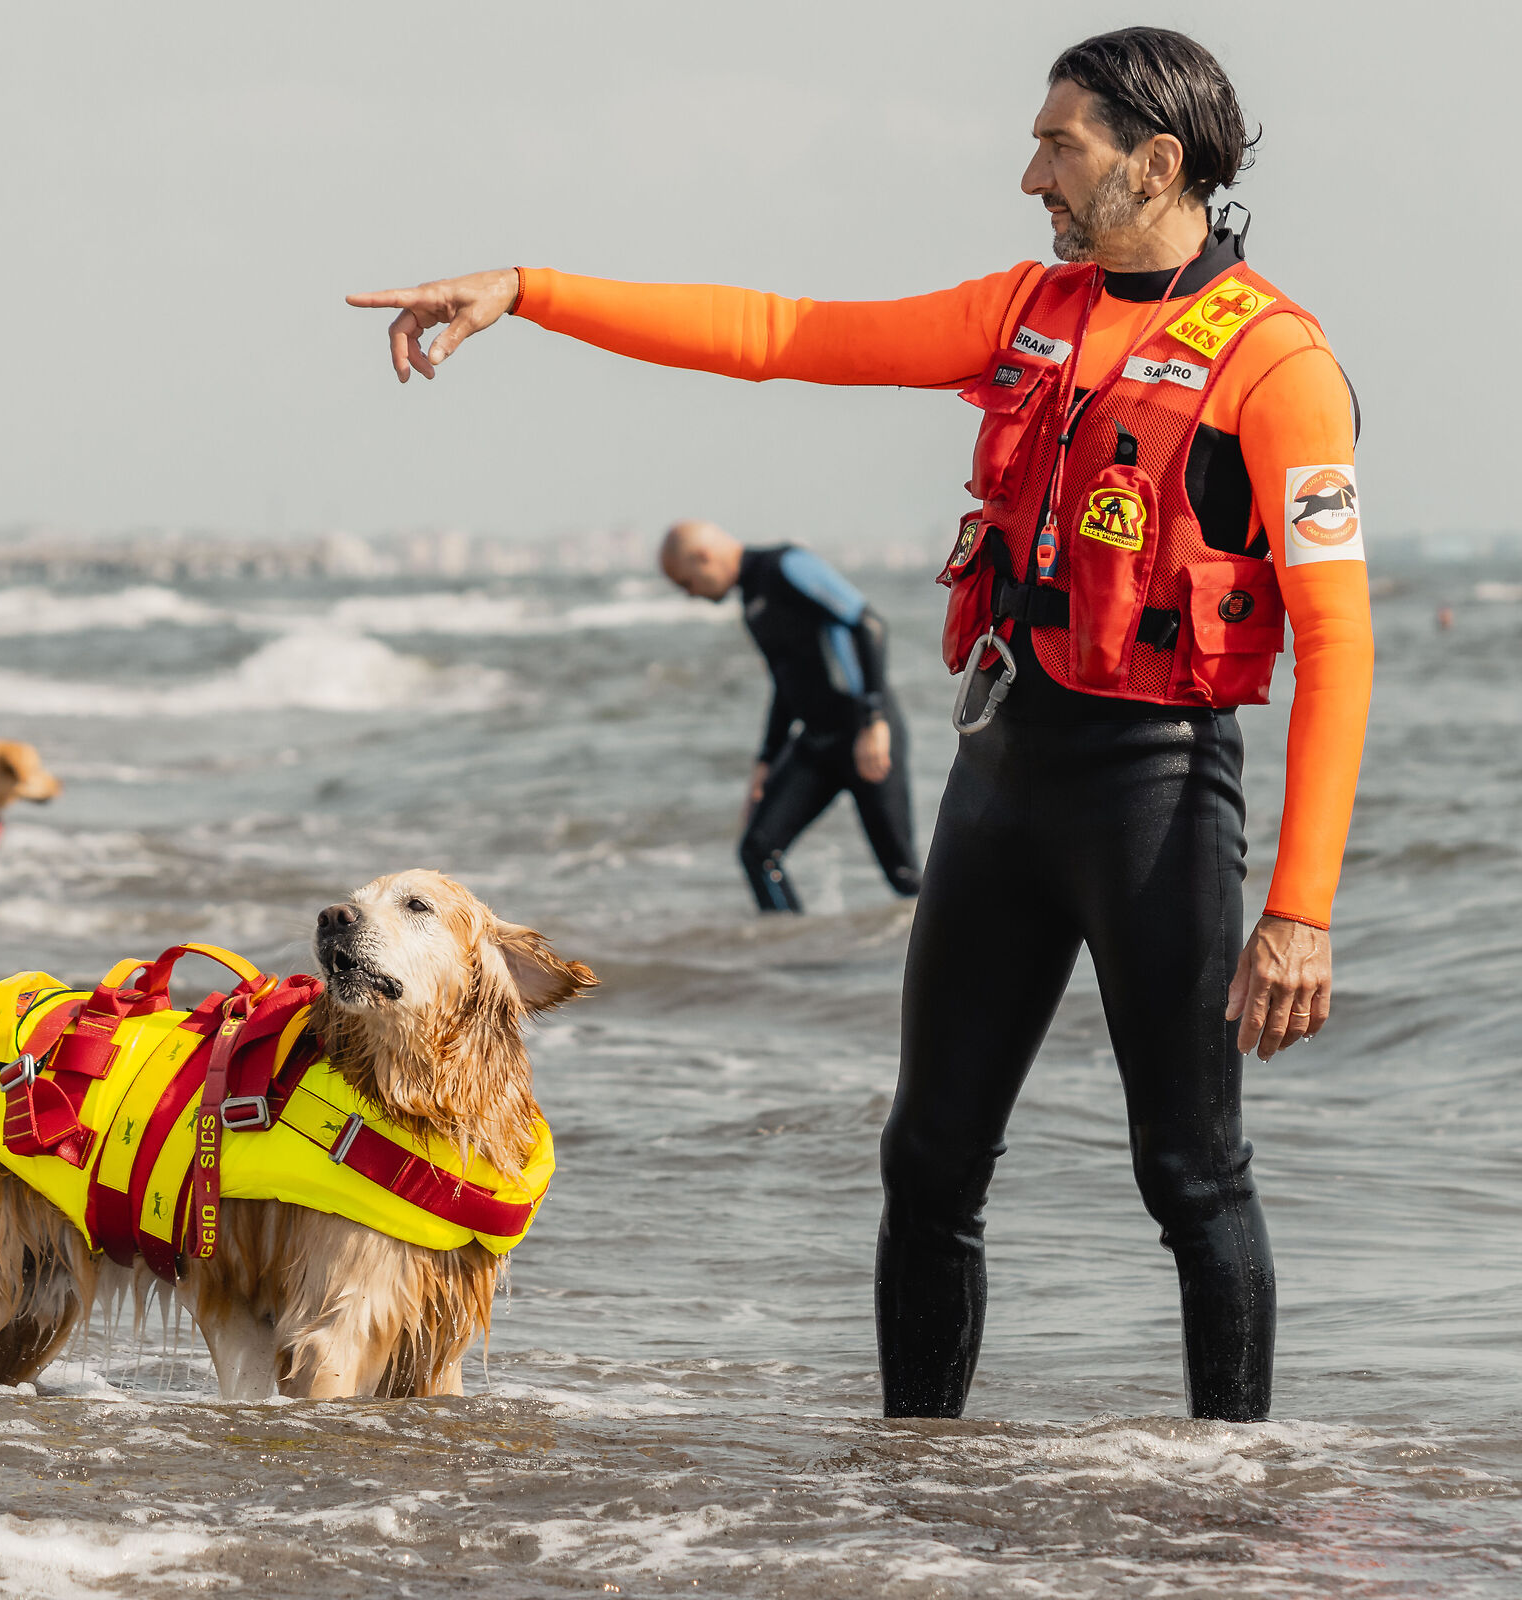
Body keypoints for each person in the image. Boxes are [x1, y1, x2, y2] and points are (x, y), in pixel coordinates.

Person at [348, 27, 1373, 1423]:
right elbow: (780, 336)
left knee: (1190, 1176)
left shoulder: (1279, 364)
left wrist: (1300, 909)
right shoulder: (1029, 310)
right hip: (1002, 781)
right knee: (929, 1160)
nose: (1031, 176)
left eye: (1058, 145)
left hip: (1156, 793)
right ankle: (914, 1483)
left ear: (1156, 161)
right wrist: (528, 292)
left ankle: (1236, 1496)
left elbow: (1338, 643)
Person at [660, 520, 919, 912]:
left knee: (904, 878)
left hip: (865, 736)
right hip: (816, 742)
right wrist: (765, 761)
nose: (690, 594)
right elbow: (785, 686)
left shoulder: (785, 565)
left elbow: (868, 625)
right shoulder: (751, 601)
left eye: (686, 583)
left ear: (703, 556)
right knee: (757, 851)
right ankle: (797, 948)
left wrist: (874, 718)